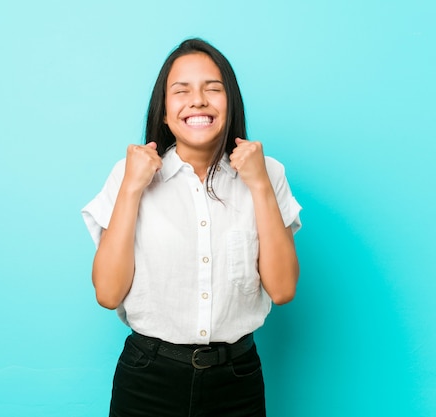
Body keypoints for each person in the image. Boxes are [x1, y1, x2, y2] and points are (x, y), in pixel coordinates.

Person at [81, 38, 302, 417]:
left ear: (229, 104)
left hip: (237, 379)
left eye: (212, 89)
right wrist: (131, 189)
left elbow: (282, 290)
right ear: (164, 112)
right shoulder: (127, 174)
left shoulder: (270, 173)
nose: (198, 100)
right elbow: (107, 292)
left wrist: (260, 184)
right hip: (148, 377)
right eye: (181, 91)